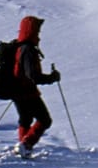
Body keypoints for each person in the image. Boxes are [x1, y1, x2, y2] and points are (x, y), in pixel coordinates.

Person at [9, 15, 60, 155]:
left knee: (25, 119)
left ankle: (24, 148)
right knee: (45, 120)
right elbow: (33, 76)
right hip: (27, 92)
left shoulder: (19, 47)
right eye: (37, 31)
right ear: (32, 31)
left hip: (16, 91)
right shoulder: (28, 49)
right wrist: (52, 78)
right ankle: (26, 145)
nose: (39, 34)